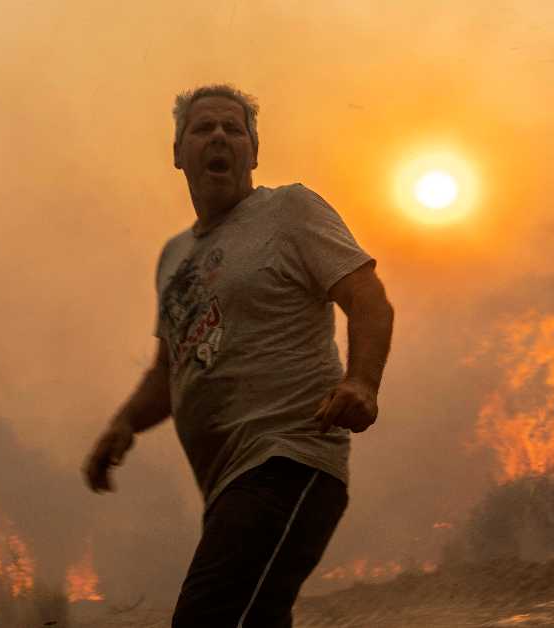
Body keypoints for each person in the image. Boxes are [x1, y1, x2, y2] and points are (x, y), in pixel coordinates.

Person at [82, 84, 394, 627]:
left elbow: (368, 300)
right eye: (204, 128)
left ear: (254, 150)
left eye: (234, 128)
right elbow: (169, 372)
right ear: (177, 154)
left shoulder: (290, 211)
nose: (220, 136)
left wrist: (362, 382)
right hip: (227, 487)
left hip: (288, 461)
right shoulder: (174, 257)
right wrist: (124, 424)